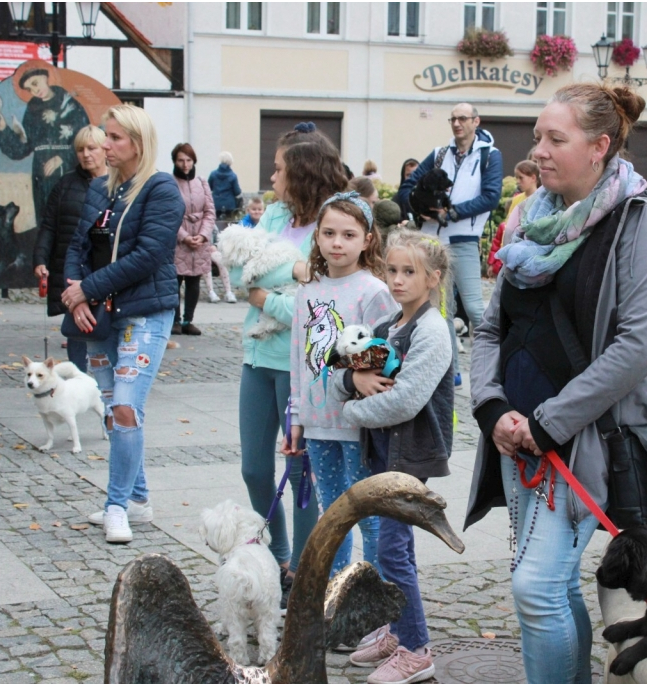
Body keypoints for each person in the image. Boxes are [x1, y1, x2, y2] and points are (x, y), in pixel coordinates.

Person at [466, 83, 647, 684]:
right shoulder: (531, 222)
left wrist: (549, 422)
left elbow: (638, 347)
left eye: (556, 138)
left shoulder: (642, 225)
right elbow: (490, 330)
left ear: (599, 146)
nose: (539, 151)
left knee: (534, 588)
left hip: (586, 443)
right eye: (538, 136)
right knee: (554, 582)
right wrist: (492, 409)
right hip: (517, 436)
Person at [333, 229, 454, 685]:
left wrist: (351, 409)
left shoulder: (431, 330)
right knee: (388, 548)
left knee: (392, 549)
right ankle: (394, 630)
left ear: (433, 278)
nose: (398, 280)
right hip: (382, 452)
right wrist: (354, 383)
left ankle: (416, 648)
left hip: (410, 455)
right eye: (392, 270)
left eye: (409, 272)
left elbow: (406, 401)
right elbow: (341, 370)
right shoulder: (389, 328)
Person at [64, 104, 185, 544]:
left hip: (144, 312)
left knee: (126, 407)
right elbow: (76, 246)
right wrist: (77, 294)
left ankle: (116, 506)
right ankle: (138, 500)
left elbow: (148, 255)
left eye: (114, 138)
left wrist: (87, 290)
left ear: (137, 142)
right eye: (104, 137)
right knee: (114, 411)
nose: (105, 146)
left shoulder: (161, 190)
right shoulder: (101, 189)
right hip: (100, 315)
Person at [233, 123, 341, 606]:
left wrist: (268, 298)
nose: (271, 178)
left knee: (302, 478)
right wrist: (291, 274)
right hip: (258, 359)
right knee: (255, 470)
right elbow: (238, 270)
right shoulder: (274, 215)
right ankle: (274, 554)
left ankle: (302, 574)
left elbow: (316, 300)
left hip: (303, 365)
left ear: (301, 173)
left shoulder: (334, 222)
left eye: (278, 169)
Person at [286, 192, 395, 577]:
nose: (336, 242)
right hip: (318, 422)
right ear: (316, 236)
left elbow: (389, 350)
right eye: (329, 233)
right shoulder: (307, 292)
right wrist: (296, 415)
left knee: (367, 513)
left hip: (357, 423)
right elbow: (299, 358)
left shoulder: (373, 291)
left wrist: (363, 375)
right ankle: (336, 595)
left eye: (348, 235)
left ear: (367, 240)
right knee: (331, 514)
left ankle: (379, 594)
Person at [396, 103, 503, 385]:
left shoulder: (489, 155)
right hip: (432, 241)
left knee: (476, 309)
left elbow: (491, 197)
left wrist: (452, 213)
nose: (457, 124)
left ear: (475, 121)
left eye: (463, 118)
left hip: (464, 240)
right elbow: (408, 185)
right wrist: (417, 209)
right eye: (453, 119)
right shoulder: (440, 153)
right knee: (442, 310)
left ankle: (496, 369)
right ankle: (450, 372)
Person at [33, 125, 108, 370]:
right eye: (80, 149)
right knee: (76, 325)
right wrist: (40, 259)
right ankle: (79, 377)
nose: (86, 154)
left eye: (91, 148)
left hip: (106, 268)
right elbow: (48, 226)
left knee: (108, 324)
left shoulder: (119, 183)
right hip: (73, 267)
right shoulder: (65, 185)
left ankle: (108, 380)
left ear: (104, 149)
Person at [0, 66, 90, 230]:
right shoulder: (32, 110)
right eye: (30, 89)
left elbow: (87, 139)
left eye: (35, 83)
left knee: (70, 219)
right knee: (45, 219)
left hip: (69, 171)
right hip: (41, 173)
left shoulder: (71, 104)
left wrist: (62, 157)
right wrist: (4, 130)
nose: (34, 90)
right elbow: (23, 148)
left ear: (45, 77)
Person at [171, 143, 215, 336]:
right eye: (181, 160)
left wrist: (203, 235)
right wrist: (184, 236)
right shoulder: (170, 182)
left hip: (199, 237)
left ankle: (189, 320)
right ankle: (175, 320)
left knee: (194, 280)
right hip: (179, 238)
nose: (185, 164)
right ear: (175, 161)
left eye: (188, 160)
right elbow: (168, 214)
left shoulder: (202, 182)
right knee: (175, 280)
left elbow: (209, 211)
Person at [488, 160, 540, 278]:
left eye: (521, 178)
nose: (518, 182)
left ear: (533, 178)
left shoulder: (541, 199)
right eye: (516, 178)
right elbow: (508, 226)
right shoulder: (517, 199)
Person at [208, 151, 243, 219]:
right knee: (228, 225)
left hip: (215, 204)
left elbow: (208, 188)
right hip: (230, 206)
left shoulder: (213, 174)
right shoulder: (233, 176)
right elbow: (237, 192)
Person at [396, 158, 419, 222]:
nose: (412, 178)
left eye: (415, 174)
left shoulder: (427, 197)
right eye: (408, 175)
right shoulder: (397, 199)